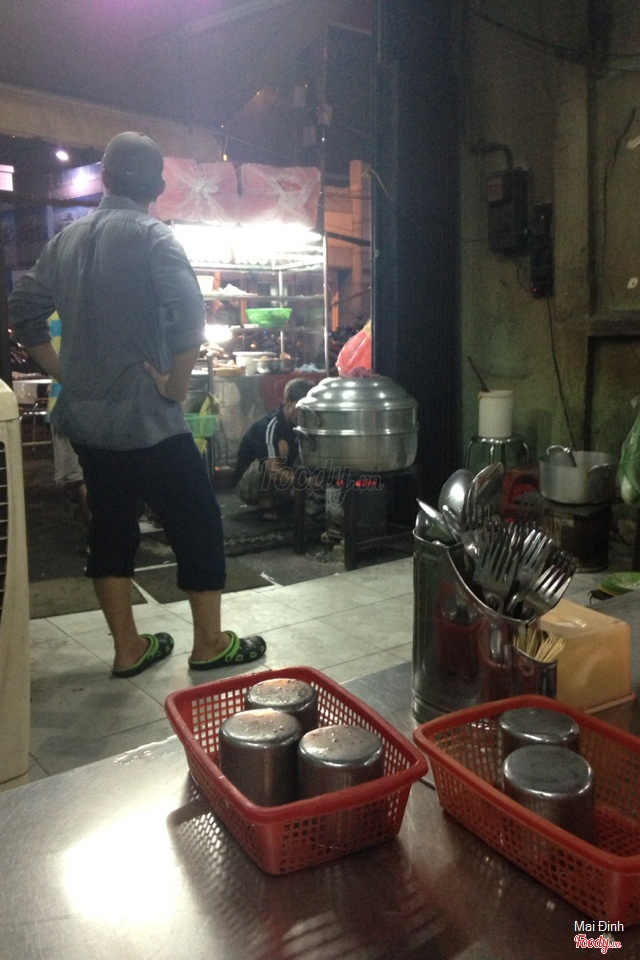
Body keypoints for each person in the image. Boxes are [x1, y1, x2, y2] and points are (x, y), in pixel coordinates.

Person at [9, 131, 265, 678]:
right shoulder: (154, 238)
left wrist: (66, 373)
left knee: (111, 527)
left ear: (104, 178)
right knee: (197, 521)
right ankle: (210, 644)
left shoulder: (65, 241)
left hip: (89, 425)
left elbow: (23, 310)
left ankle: (128, 649)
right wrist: (175, 385)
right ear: (158, 186)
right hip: (148, 421)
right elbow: (190, 318)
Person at [233, 377, 317, 520]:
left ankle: (289, 497)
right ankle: (266, 501)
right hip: (249, 485)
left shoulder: (301, 425)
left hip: (280, 482)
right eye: (301, 410)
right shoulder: (268, 425)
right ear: (288, 403)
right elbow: (273, 471)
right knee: (281, 450)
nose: (304, 415)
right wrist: (305, 482)